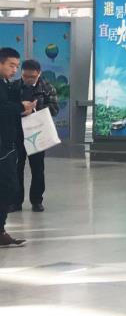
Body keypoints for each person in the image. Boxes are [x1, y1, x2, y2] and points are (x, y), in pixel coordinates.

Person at [14, 60, 58, 213]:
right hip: (17, 133)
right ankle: (16, 202)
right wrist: (20, 108)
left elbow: (54, 109)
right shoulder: (14, 86)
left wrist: (35, 108)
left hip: (37, 132)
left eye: (32, 77)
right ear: (21, 73)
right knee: (16, 168)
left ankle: (37, 201)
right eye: (25, 76)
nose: (28, 79)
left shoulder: (47, 88)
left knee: (38, 168)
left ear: (39, 73)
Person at [0, 47, 32, 247]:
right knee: (7, 186)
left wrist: (23, 109)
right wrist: (21, 107)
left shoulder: (6, 84)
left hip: (8, 143)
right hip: (2, 146)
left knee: (8, 187)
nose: (14, 70)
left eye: (16, 66)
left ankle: (0, 230)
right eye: (11, 65)